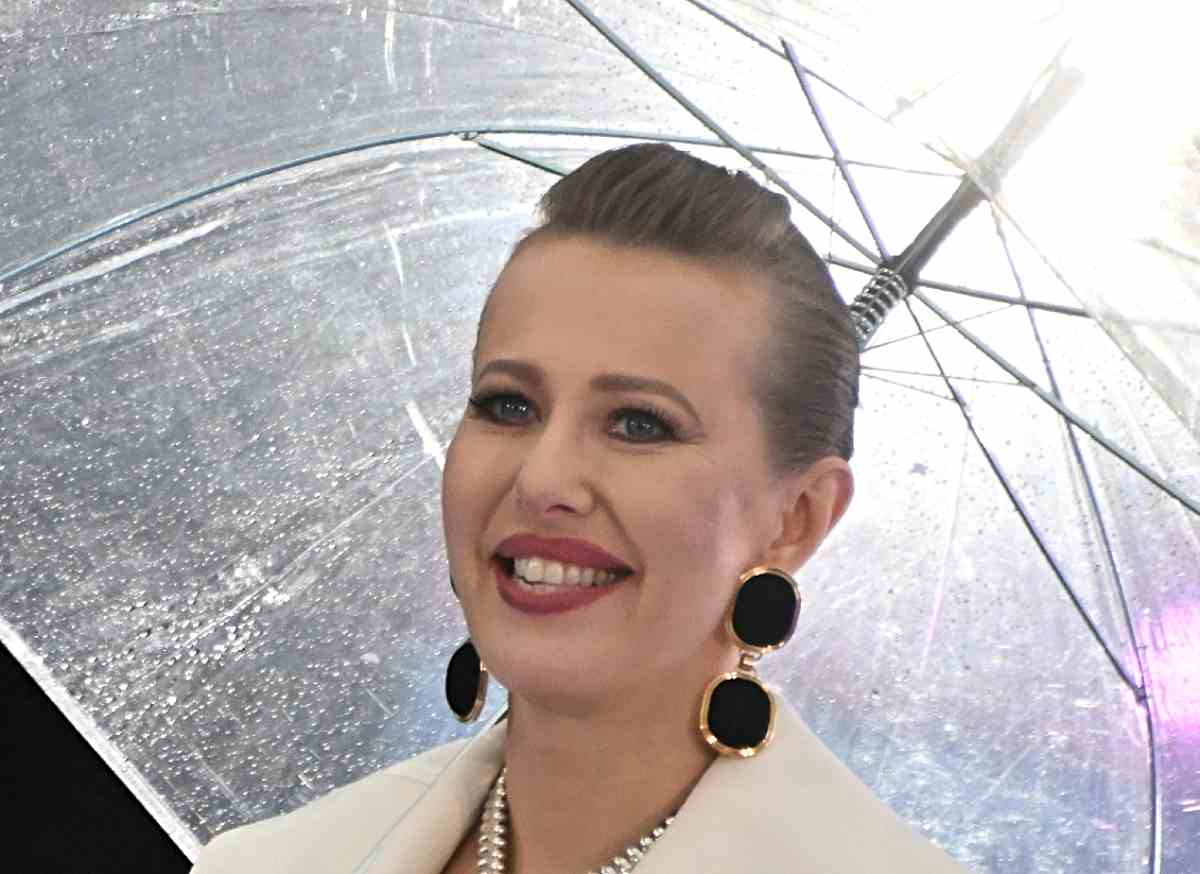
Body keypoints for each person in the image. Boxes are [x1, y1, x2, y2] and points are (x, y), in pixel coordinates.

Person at [191, 144, 971, 873]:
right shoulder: (265, 862)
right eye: (508, 405)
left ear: (795, 518)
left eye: (639, 423)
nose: (542, 479)